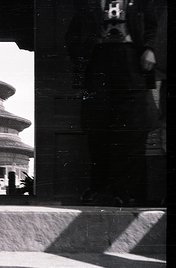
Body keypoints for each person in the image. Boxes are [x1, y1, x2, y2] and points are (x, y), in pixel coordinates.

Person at [65, 0, 159, 205]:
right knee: (98, 125)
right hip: (99, 61)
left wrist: (150, 48)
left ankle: (125, 192)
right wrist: (82, 58)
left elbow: (153, 25)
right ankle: (99, 190)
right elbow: (72, 35)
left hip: (132, 61)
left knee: (131, 128)